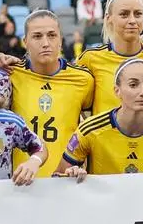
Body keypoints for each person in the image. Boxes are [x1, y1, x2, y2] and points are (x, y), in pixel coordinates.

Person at [57, 58, 143, 178]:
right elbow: (58, 177)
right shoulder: (90, 130)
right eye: (133, 85)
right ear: (117, 90)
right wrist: (72, 173)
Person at [9, 10, 95, 177]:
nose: (46, 43)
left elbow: (91, 130)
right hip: (20, 183)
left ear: (61, 41)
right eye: (37, 36)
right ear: (25, 42)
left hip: (64, 181)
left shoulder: (83, 80)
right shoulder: (10, 74)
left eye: (52, 35)